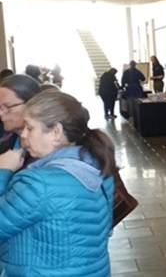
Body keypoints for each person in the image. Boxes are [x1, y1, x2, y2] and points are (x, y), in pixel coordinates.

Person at [0, 91, 117, 276]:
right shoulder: (98, 165)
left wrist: (3, 171)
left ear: (56, 132)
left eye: (29, 128)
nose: (23, 135)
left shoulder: (38, 184)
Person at [0, 75, 41, 155]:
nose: (0, 113)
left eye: (8, 107)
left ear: (32, 104)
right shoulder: (7, 138)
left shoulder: (46, 148)